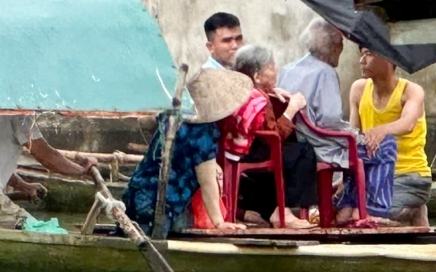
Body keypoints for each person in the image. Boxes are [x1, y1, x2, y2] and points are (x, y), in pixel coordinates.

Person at [123, 67, 252, 235]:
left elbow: (146, 122)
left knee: (132, 231)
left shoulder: (170, 115)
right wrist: (219, 222)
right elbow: (208, 183)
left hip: (137, 190)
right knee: (151, 239)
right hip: (161, 203)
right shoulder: (203, 133)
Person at [0, 114, 96, 227]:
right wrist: (82, 171)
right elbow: (47, 157)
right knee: (38, 231)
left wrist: (23, 186)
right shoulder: (20, 116)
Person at [222, 45, 318, 229]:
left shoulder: (241, 89)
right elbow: (275, 135)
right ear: (257, 76)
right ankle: (285, 211)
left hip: (235, 149)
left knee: (289, 154)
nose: (276, 71)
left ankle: (270, 210)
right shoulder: (258, 99)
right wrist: (293, 108)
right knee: (304, 152)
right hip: (253, 149)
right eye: (271, 67)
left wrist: (271, 91)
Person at [348, 48, 432, 226]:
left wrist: (381, 131)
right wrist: (345, 178)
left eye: (369, 54)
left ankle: (414, 208)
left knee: (367, 218)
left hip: (409, 175)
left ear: (388, 57)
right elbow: (353, 137)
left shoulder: (411, 91)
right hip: (372, 177)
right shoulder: (358, 89)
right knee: (343, 215)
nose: (362, 60)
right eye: (361, 54)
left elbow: (407, 123)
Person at [278, 17, 351, 167]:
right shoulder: (326, 72)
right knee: (383, 149)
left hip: (292, 141)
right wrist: (356, 135)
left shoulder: (288, 69)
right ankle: (372, 191)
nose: (342, 48)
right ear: (333, 46)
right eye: (341, 43)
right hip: (316, 145)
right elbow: (330, 121)